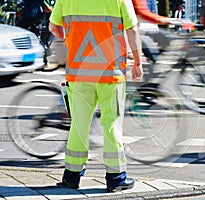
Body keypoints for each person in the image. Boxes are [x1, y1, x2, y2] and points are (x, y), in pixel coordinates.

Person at [48, 0, 143, 192]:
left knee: (79, 124)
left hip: (79, 72)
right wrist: (138, 62)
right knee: (111, 123)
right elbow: (132, 30)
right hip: (111, 73)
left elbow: (53, 27)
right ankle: (116, 178)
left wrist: (71, 42)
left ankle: (71, 177)